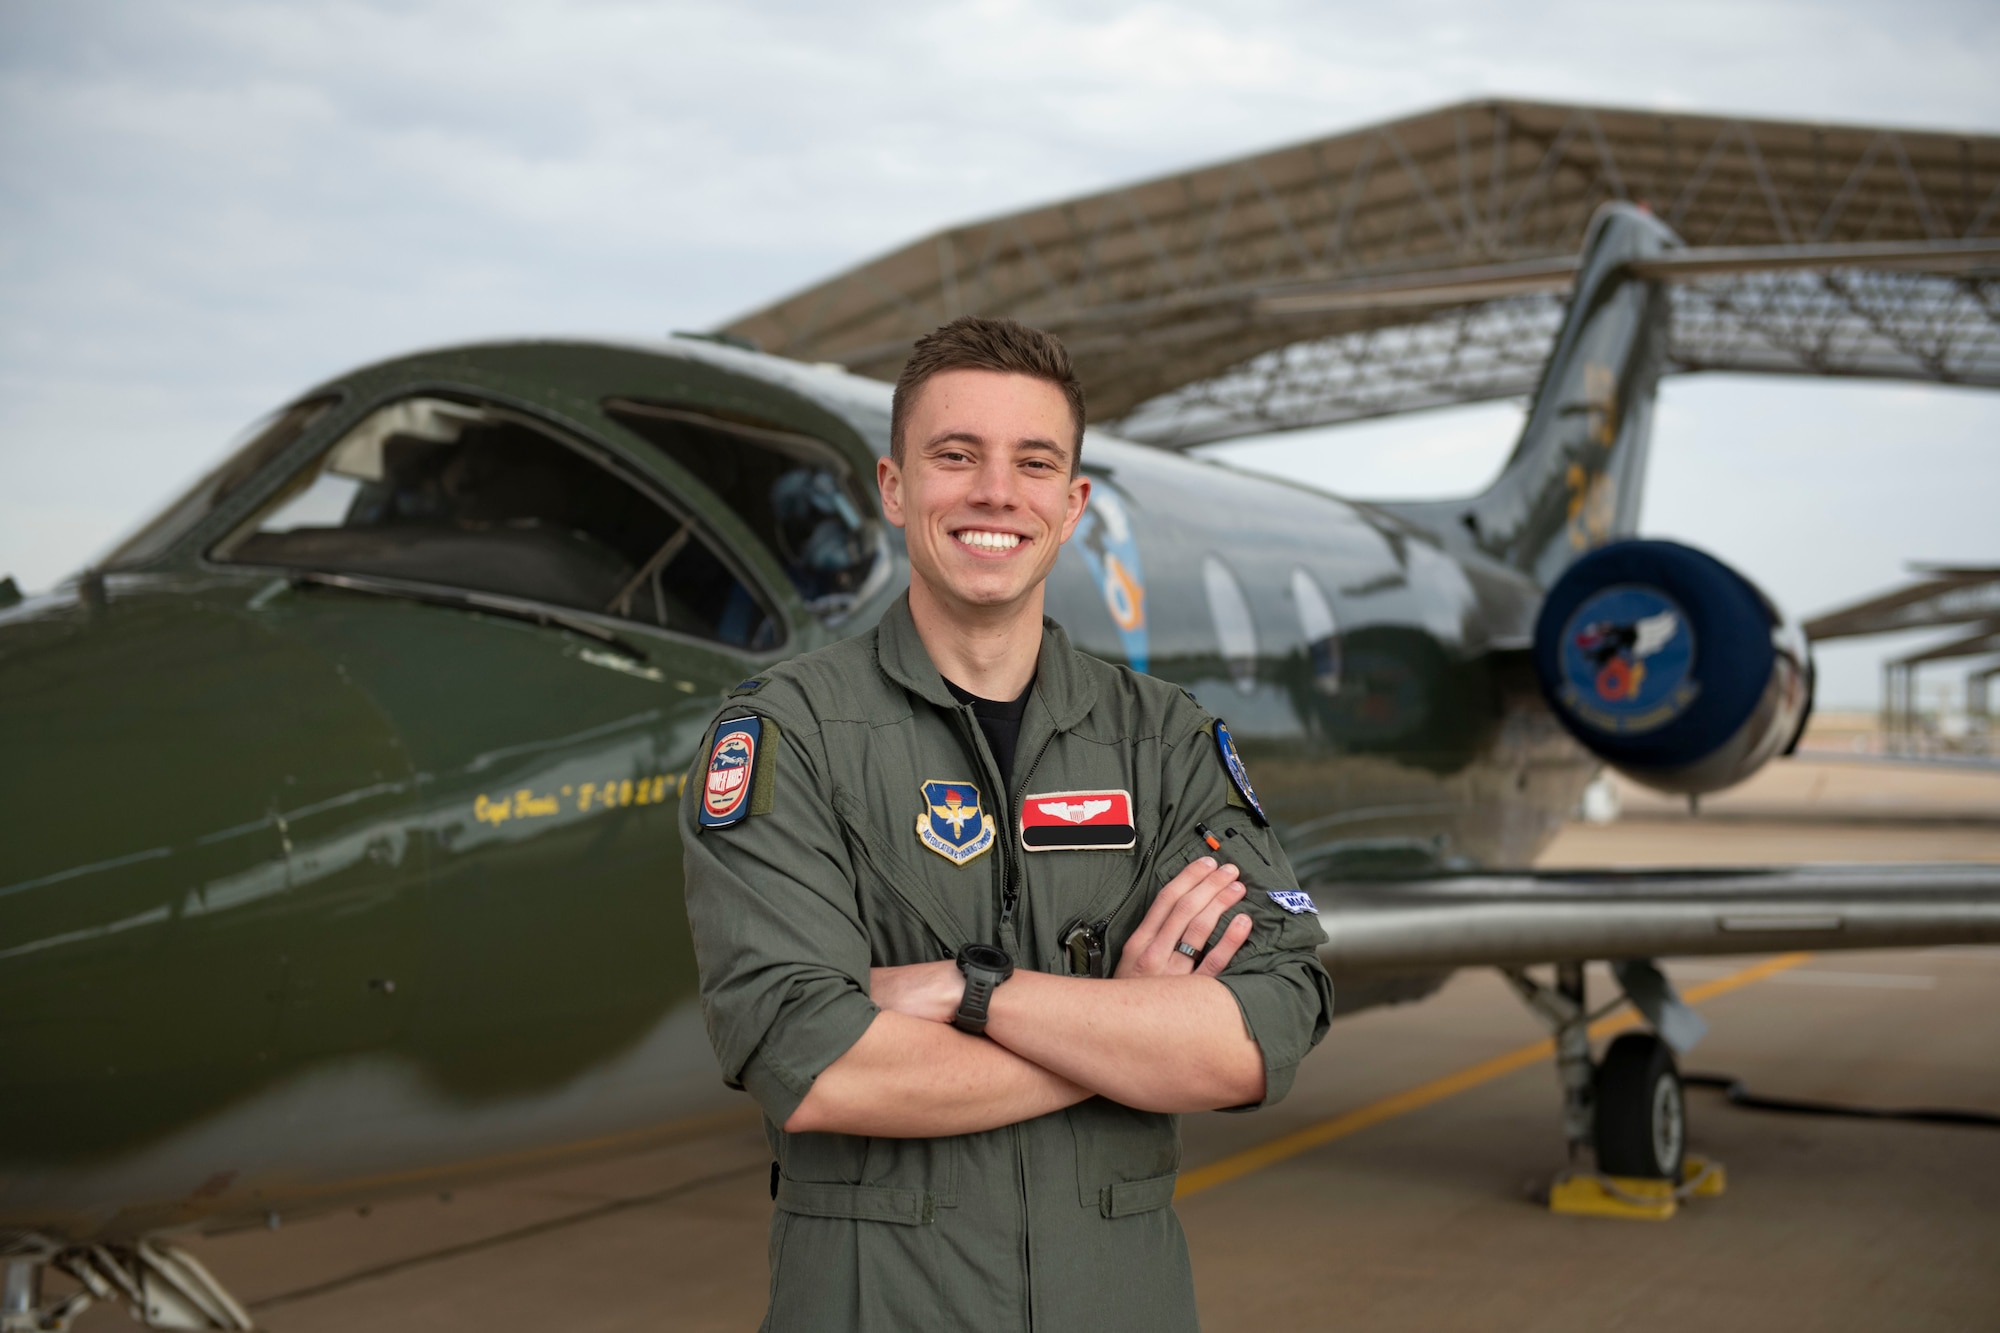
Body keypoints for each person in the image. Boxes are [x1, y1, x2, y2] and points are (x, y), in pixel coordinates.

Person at [681, 316, 1332, 1331]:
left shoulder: (1160, 740)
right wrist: (1119, 1027)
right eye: (955, 456)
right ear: (893, 487)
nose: (995, 493)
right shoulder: (785, 735)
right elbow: (811, 1061)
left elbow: (1260, 1032)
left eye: (1033, 462)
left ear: (1070, 504)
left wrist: (966, 990)